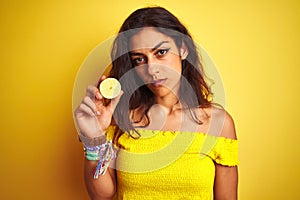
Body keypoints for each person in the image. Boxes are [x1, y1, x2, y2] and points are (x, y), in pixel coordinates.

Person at [74, 6, 239, 200]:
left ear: (183, 49)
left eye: (161, 52)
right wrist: (94, 139)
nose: (151, 69)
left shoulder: (218, 124)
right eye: (139, 59)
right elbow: (102, 197)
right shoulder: (119, 119)